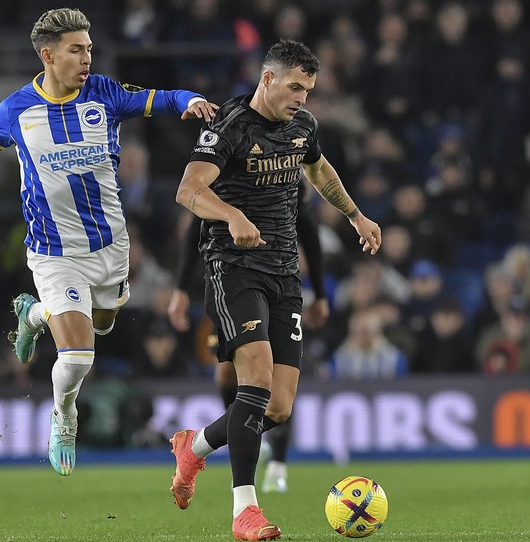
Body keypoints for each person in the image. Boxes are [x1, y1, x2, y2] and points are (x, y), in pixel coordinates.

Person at [0, 7, 218, 476]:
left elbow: (165, 97)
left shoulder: (105, 93)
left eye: (89, 48)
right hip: (54, 252)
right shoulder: (17, 109)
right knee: (80, 352)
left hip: (110, 248)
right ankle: (64, 417)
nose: (87, 58)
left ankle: (31, 312)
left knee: (103, 324)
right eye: (76, 50)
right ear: (48, 55)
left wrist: (191, 100)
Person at [166, 39, 381, 541]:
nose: (302, 98)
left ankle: (192, 447)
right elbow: (188, 189)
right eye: (294, 87)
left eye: (308, 89)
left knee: (278, 408)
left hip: (285, 272)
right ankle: (245, 512)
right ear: (267, 79)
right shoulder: (231, 126)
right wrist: (232, 214)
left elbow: (319, 168)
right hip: (233, 265)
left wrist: (355, 215)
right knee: (255, 380)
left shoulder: (302, 126)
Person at [167, 180, 330, 494]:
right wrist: (180, 288)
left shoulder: (286, 180)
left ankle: (266, 457)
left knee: (277, 397)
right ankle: (245, 465)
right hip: (234, 282)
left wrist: (320, 293)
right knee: (231, 376)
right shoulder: (230, 177)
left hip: (282, 285)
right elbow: (194, 225)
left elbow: (309, 233)